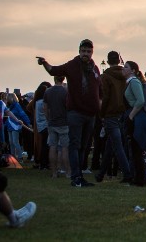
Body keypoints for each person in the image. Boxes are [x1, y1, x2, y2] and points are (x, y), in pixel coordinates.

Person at [37, 39, 102, 188]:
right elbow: (54, 70)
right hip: (76, 112)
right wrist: (45, 63)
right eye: (83, 51)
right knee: (75, 145)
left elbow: (100, 90)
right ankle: (76, 177)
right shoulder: (72, 65)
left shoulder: (95, 68)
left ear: (92, 52)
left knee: (83, 146)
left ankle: (79, 176)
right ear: (79, 51)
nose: (86, 54)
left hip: (90, 114)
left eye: (88, 51)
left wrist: (100, 107)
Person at [96, 51, 133, 184]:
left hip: (110, 113)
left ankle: (128, 174)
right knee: (111, 144)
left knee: (116, 145)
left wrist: (101, 113)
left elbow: (105, 96)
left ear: (108, 60)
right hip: (121, 112)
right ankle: (100, 174)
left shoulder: (105, 77)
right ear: (118, 60)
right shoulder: (123, 75)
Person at [43, 75, 69, 178]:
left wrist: (48, 118)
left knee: (52, 147)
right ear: (63, 79)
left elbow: (45, 108)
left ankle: (54, 172)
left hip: (52, 122)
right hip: (64, 122)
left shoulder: (48, 91)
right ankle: (67, 171)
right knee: (64, 148)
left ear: (55, 79)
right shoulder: (66, 91)